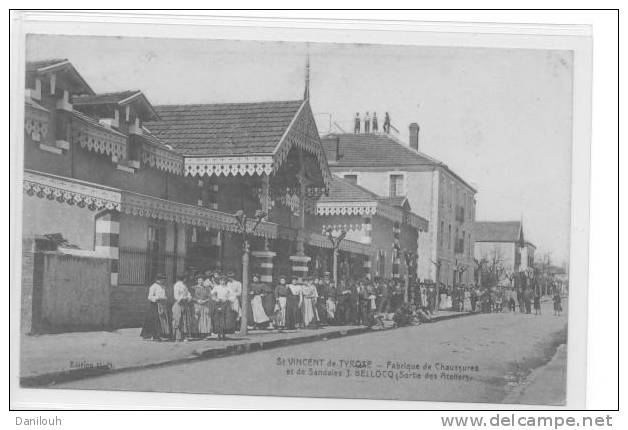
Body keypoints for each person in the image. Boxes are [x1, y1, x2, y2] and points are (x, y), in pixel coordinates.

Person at [140, 274, 171, 340]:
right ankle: (148, 335)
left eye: (164, 279)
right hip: (155, 305)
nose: (163, 280)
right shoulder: (153, 286)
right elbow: (150, 297)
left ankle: (158, 335)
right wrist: (157, 298)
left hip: (162, 305)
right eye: (162, 279)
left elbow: (164, 295)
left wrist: (164, 298)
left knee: (161, 320)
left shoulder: (163, 287)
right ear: (158, 279)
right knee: (153, 320)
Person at [211, 275, 235, 340]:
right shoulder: (217, 287)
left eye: (223, 280)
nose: (222, 282)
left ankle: (224, 334)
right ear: (219, 281)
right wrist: (216, 299)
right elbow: (212, 295)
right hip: (218, 303)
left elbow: (233, 296)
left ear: (226, 281)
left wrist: (228, 299)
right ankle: (218, 334)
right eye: (221, 280)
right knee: (218, 319)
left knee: (225, 319)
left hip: (226, 304)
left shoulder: (228, 288)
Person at [172, 275, 193, 341]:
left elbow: (188, 294)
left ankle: (184, 336)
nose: (185, 280)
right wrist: (182, 297)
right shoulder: (177, 285)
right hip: (179, 304)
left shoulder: (185, 285)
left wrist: (188, 298)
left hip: (185, 304)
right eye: (185, 279)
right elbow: (176, 296)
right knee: (178, 319)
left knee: (185, 320)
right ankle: (177, 336)